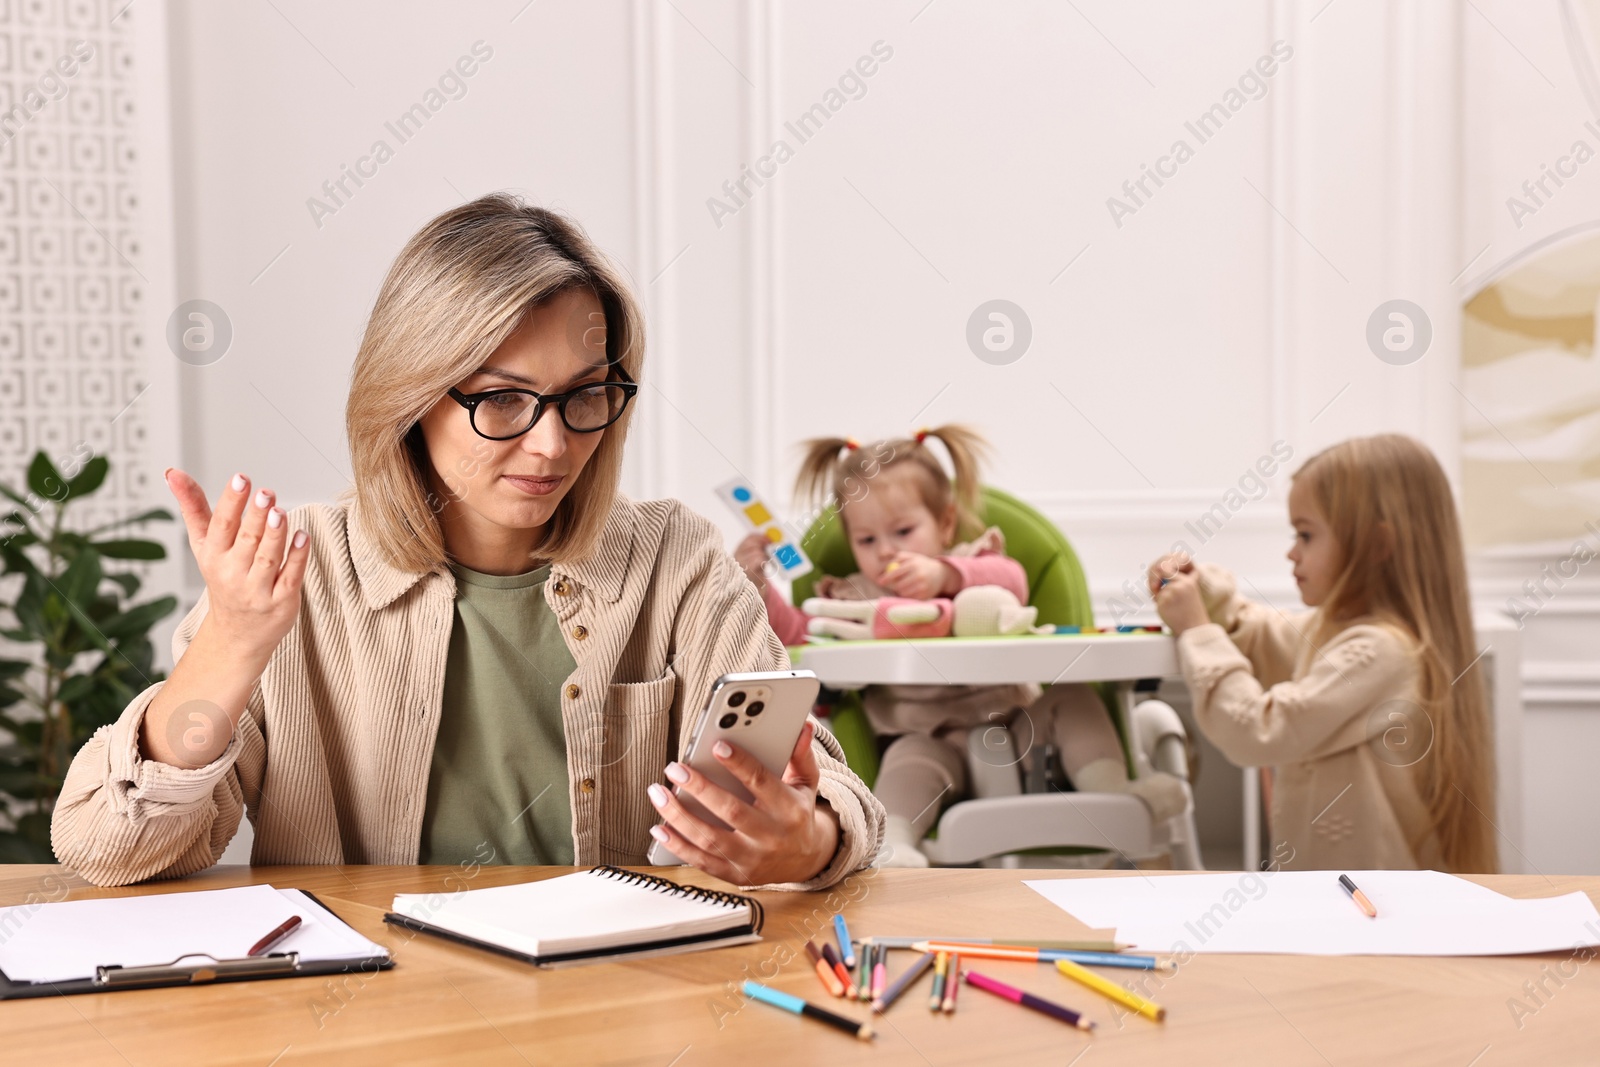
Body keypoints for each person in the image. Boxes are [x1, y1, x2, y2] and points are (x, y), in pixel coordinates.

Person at [52, 194, 884, 890]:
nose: (552, 446)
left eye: (584, 395)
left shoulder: (676, 559)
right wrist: (232, 643)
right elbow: (104, 845)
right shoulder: (295, 569)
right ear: (410, 396)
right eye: (504, 400)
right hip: (380, 1018)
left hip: (623, 1006)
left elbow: (838, 797)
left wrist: (804, 841)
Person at [737, 427, 1185, 867]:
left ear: (945, 522)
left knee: (1074, 699)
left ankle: (1116, 792)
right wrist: (758, 586)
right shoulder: (851, 598)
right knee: (906, 760)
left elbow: (1015, 583)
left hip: (1021, 728)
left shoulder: (976, 563)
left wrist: (946, 577)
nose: (886, 551)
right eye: (867, 540)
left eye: (904, 531)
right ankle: (894, 841)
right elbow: (798, 635)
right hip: (928, 739)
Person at [1149, 434, 1497, 872]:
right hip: (1339, 902)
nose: (1291, 552)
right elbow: (1262, 634)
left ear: (1377, 546)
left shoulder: (1382, 651)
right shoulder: (1337, 632)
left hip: (1371, 911)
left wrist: (1197, 629)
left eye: (1306, 534)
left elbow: (1259, 729)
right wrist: (1200, 592)